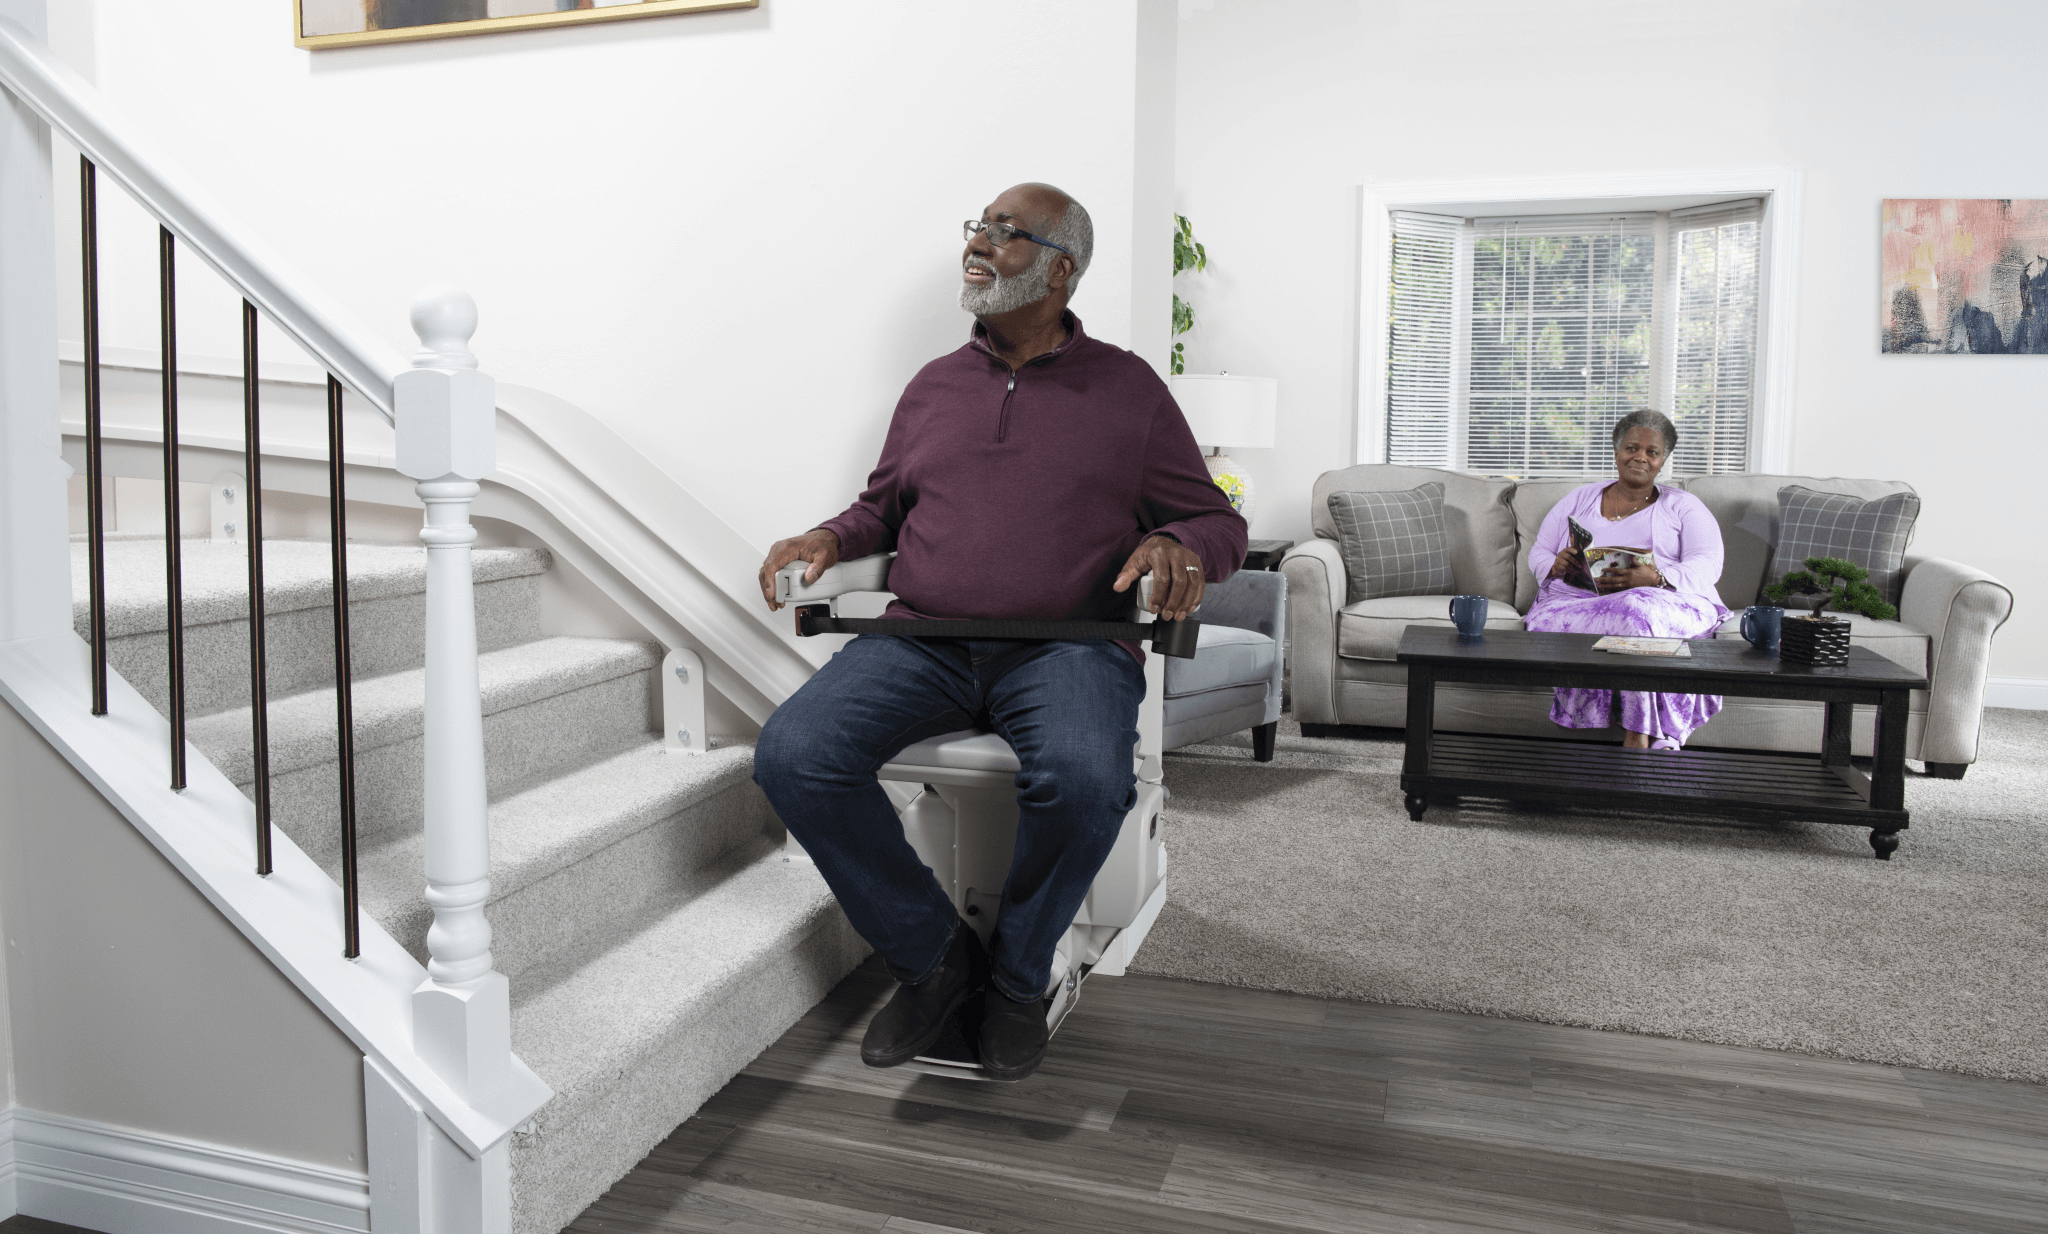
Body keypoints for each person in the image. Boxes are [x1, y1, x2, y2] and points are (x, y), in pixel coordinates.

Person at [749, 183, 1247, 1081]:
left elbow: (1218, 522)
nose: (977, 245)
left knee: (1089, 778)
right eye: (976, 228)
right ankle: (933, 959)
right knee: (794, 753)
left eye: (1005, 234)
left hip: (1069, 645)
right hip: (923, 640)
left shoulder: (1128, 390)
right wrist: (828, 537)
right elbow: (881, 511)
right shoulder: (934, 386)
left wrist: (1179, 541)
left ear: (1060, 269)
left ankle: (1018, 975)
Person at [1523, 410, 1729, 751]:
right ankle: (1649, 736)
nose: (1641, 457)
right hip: (1575, 603)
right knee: (1623, 615)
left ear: (1663, 461)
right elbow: (1540, 552)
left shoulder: (1685, 507)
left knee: (1635, 612)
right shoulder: (1578, 499)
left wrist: (1656, 578)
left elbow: (1708, 564)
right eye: (1632, 448)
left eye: (1653, 452)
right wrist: (1556, 564)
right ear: (1617, 451)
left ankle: (1639, 734)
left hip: (1662, 603)